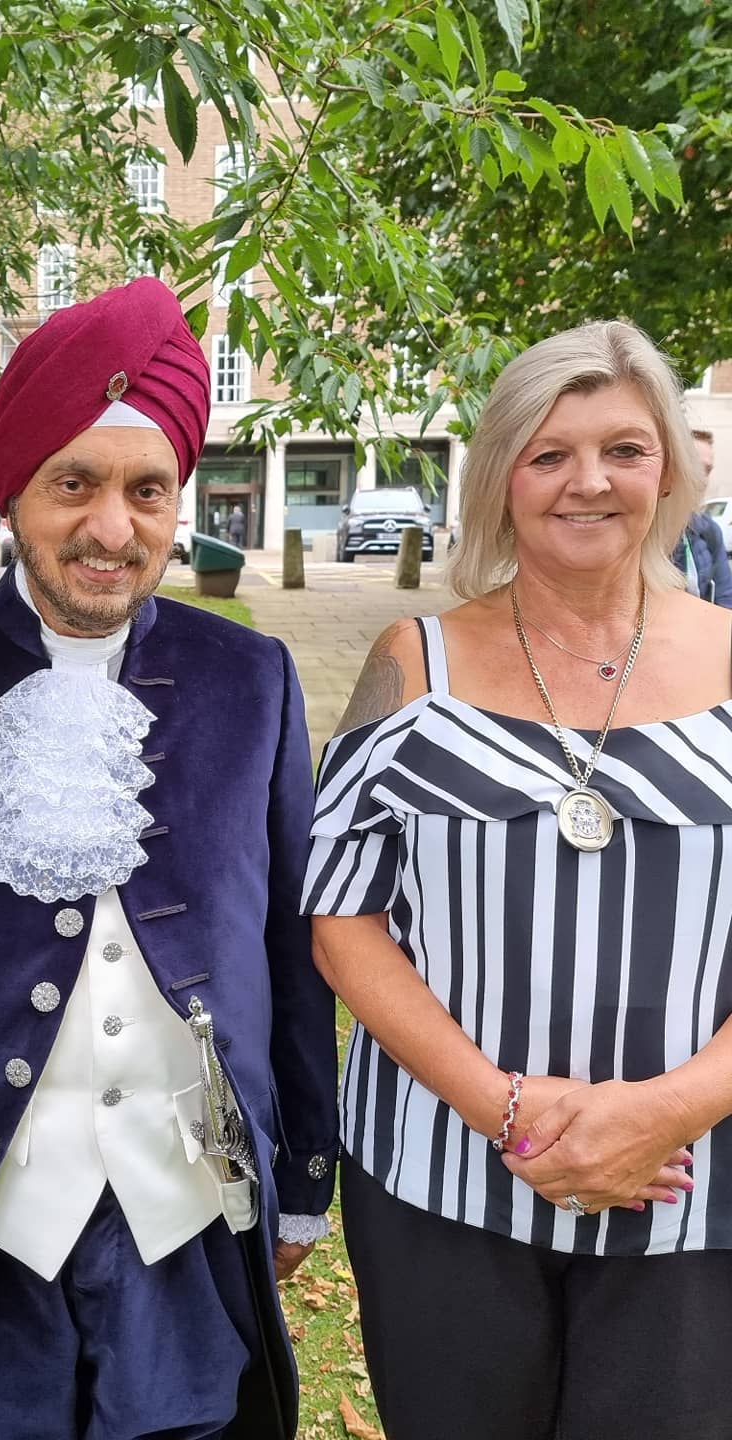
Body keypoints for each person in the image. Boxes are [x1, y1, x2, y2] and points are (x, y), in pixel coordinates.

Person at [0, 277, 339, 1440]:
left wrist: (303, 1176)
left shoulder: (255, 679)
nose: (112, 530)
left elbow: (293, 950)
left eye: (148, 490)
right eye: (72, 484)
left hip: (191, 1223)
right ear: (13, 493)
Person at [303, 319, 732, 1440]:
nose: (588, 481)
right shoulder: (410, 664)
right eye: (550, 454)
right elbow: (341, 918)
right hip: (441, 1178)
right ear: (501, 479)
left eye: (624, 450)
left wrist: (662, 1111)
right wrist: (505, 1110)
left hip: (695, 1186)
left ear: (669, 471)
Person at [671, 427, 732, 606]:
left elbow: (726, 598)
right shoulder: (639, 532)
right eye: (694, 466)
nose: (702, 479)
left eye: (707, 470)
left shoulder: (709, 531)